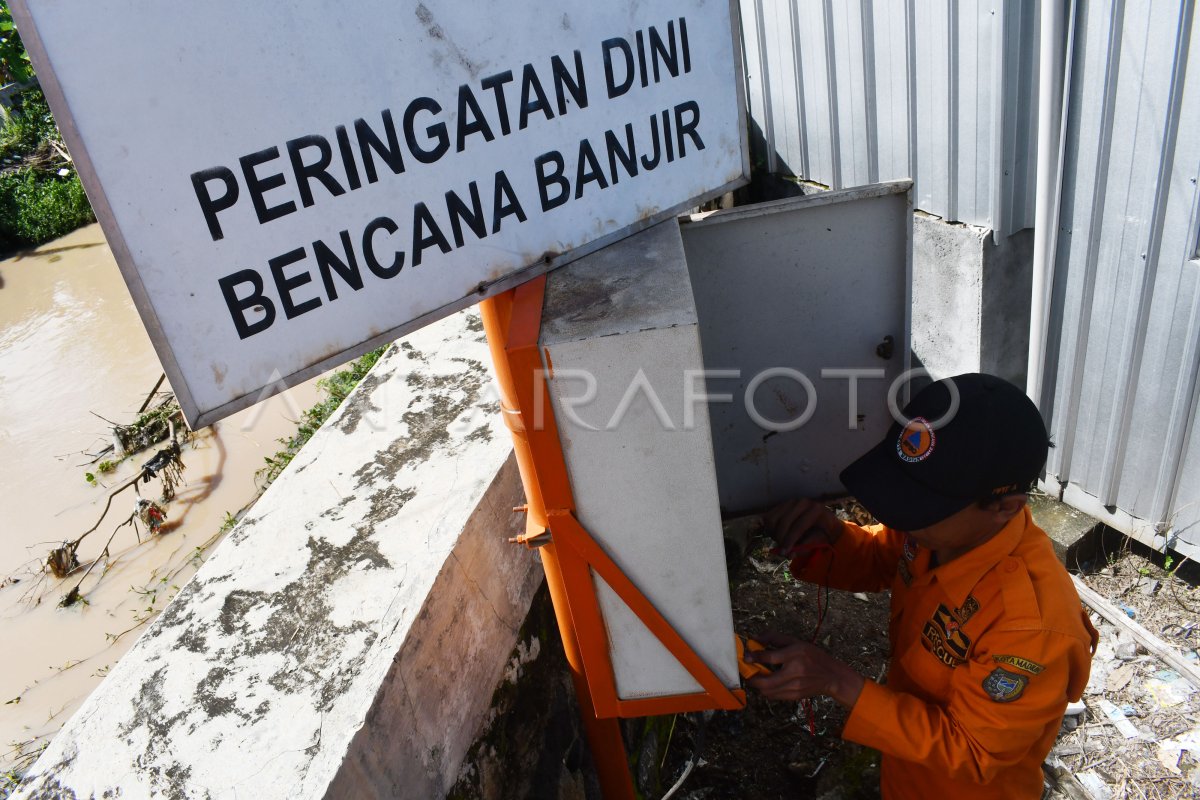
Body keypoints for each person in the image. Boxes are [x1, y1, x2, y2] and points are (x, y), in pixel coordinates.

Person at [746, 373, 1098, 799]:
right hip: (906, 770)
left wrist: (837, 681)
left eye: (919, 508)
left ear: (1005, 507)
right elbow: (883, 557)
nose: (900, 519)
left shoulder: (1031, 629)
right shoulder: (939, 533)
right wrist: (830, 538)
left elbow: (972, 752)